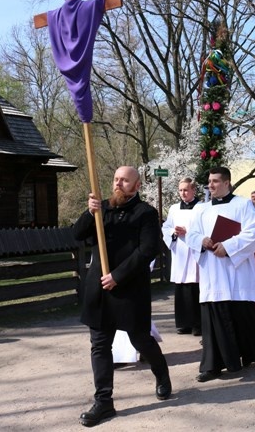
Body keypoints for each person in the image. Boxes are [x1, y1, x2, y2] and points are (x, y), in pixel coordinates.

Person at [73, 166, 171, 427]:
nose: (118, 183)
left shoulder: (146, 213)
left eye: (124, 180)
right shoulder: (101, 208)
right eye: (116, 179)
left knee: (141, 340)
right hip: (100, 289)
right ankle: (104, 402)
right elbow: (77, 234)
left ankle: (162, 375)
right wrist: (89, 212)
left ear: (136, 185)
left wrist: (118, 275)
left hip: (129, 289)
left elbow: (147, 250)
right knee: (100, 345)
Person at [184, 167, 255, 382]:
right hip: (213, 271)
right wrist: (202, 240)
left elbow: (252, 234)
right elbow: (192, 234)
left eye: (215, 181)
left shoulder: (243, 204)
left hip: (237, 270)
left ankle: (246, 356)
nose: (211, 185)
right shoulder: (201, 209)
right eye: (209, 181)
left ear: (227, 183)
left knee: (239, 313)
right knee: (213, 317)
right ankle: (212, 365)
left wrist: (227, 246)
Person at [161, 177, 201, 336]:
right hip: (180, 251)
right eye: (180, 190)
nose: (183, 193)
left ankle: (198, 324)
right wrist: (173, 233)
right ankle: (184, 323)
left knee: (196, 288)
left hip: (195, 252)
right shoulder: (174, 208)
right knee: (181, 288)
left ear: (193, 190)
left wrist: (189, 233)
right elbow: (166, 227)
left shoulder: (202, 207)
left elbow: (205, 229)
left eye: (186, 190)